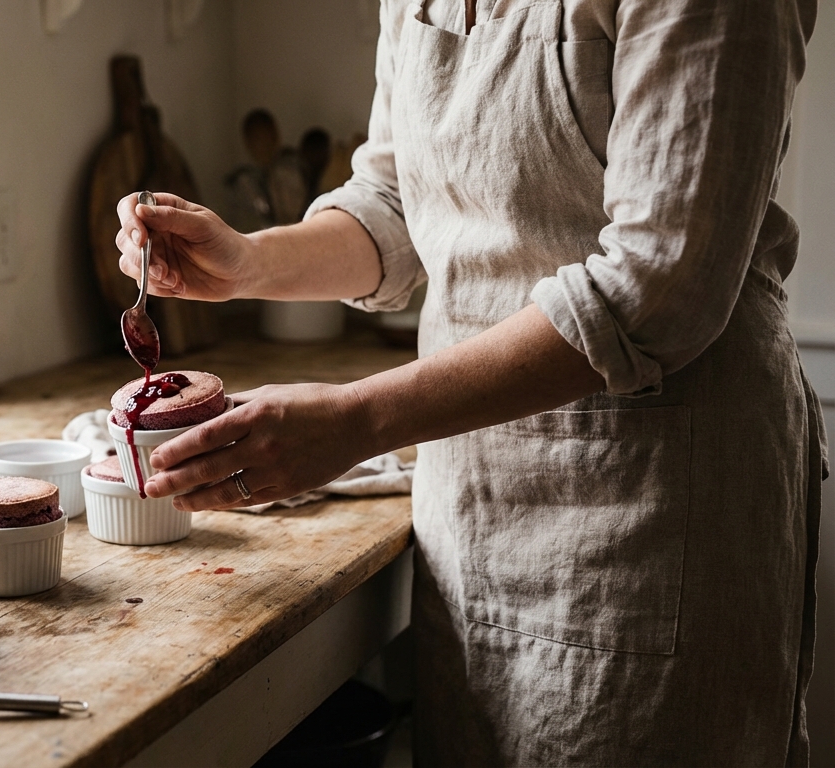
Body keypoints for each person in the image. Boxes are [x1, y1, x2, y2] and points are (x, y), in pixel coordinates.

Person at [113, 0, 824, 764]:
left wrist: (359, 419)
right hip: (472, 496)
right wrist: (249, 262)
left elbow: (658, 286)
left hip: (652, 506)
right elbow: (395, 200)